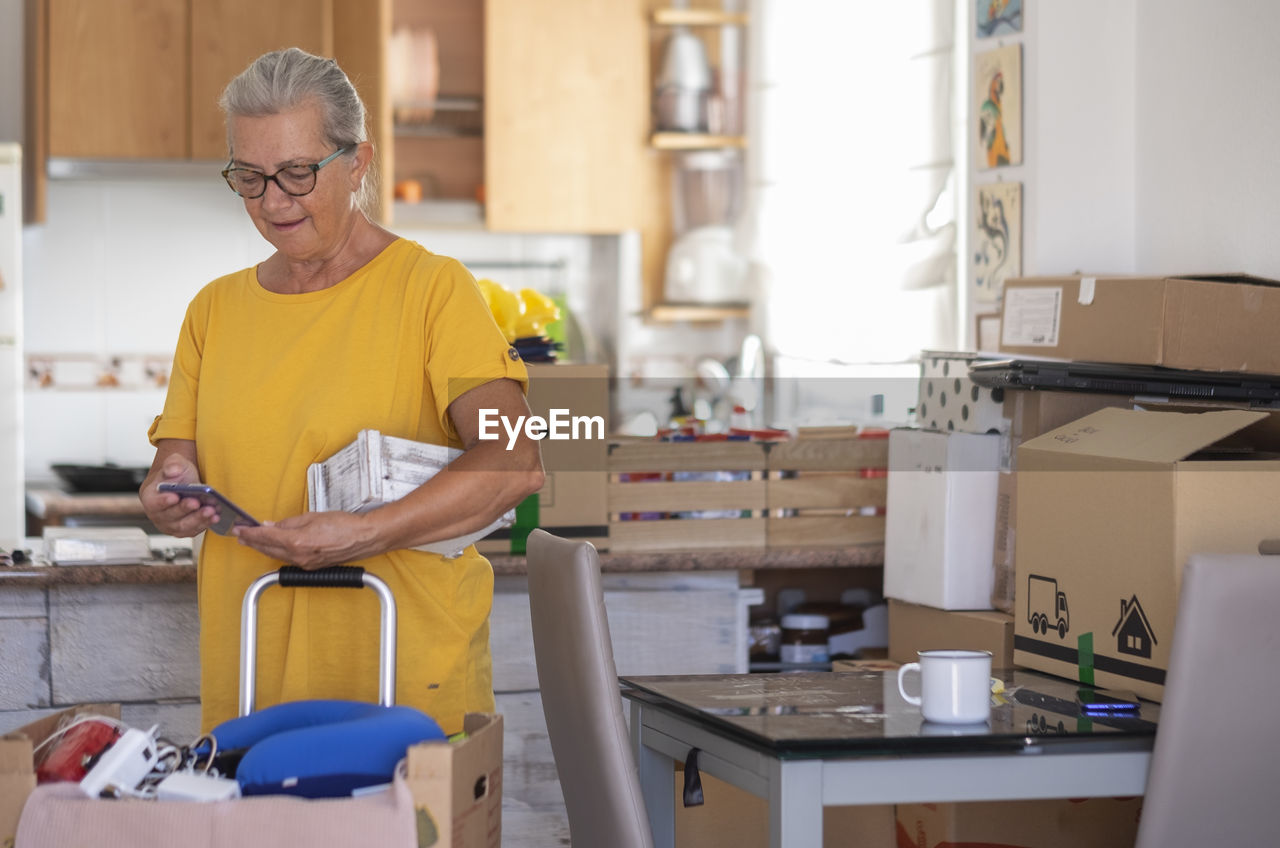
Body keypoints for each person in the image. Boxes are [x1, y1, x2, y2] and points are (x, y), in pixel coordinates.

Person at [139, 47, 544, 735]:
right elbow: (173, 467)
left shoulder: (432, 290)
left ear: (356, 163)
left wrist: (363, 534)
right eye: (250, 177)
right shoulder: (214, 312)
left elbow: (515, 462)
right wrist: (169, 493)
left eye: (297, 173)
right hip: (250, 678)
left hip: (406, 680)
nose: (273, 202)